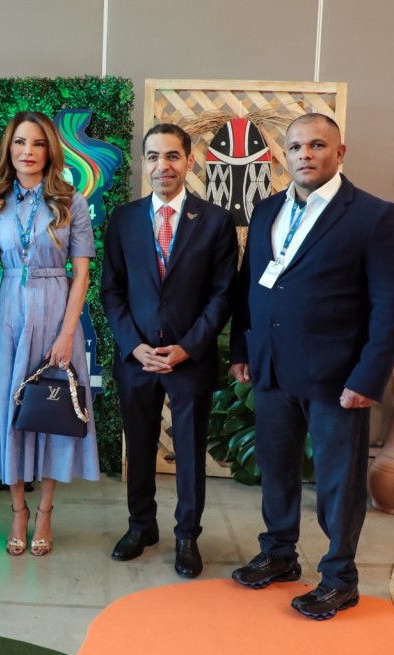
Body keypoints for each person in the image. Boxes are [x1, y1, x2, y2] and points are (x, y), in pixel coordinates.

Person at [229, 113, 394, 620]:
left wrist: (368, 376)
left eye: (316, 145)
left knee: (338, 481)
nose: (304, 155)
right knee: (276, 467)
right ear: (284, 155)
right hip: (271, 367)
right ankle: (279, 553)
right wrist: (241, 350)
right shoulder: (267, 210)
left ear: (339, 152)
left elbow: (392, 304)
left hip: (337, 376)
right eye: (295, 147)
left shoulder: (373, 216)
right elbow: (250, 285)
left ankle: (339, 578)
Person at [101, 123, 237, 579]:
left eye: (173, 156)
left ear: (189, 161)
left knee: (190, 451)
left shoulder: (215, 221)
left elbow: (223, 295)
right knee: (139, 447)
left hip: (189, 359)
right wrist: (133, 346)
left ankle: (187, 535)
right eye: (154, 156)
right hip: (137, 358)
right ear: (145, 163)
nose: (163, 165)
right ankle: (141, 526)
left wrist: (189, 347)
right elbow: (111, 290)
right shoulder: (124, 219)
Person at [0, 112, 100, 557]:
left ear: (50, 151)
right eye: (20, 143)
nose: (28, 151)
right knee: (9, 407)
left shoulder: (71, 202)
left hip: (55, 310)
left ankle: (45, 510)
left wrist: (67, 334)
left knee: (52, 409)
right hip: (9, 312)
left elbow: (81, 275)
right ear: (9, 149)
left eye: (38, 143)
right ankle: (17, 510)